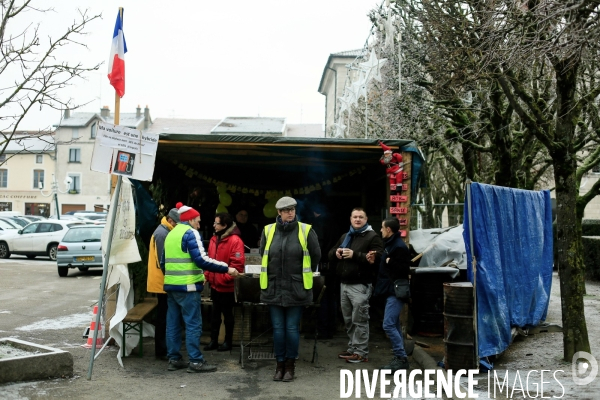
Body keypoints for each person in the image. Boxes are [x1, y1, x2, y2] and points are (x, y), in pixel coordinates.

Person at [161, 202, 240, 373]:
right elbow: (202, 260)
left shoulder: (171, 234)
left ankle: (174, 359)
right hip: (188, 287)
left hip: (171, 286)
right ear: (190, 219)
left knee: (173, 324)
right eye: (197, 220)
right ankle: (196, 361)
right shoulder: (191, 233)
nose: (199, 223)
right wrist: (227, 268)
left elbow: (163, 262)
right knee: (193, 324)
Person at [259, 196, 321, 382]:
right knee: (278, 329)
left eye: (292, 209)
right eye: (286, 210)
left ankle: (290, 366)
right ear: (278, 212)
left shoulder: (306, 230)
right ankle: (279, 365)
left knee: (292, 328)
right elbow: (264, 254)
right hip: (274, 287)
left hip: (296, 288)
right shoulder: (268, 231)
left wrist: (299, 276)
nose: (290, 212)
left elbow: (315, 255)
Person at [329, 207, 383, 364]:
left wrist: (355, 255)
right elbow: (330, 252)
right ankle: (353, 348)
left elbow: (377, 260)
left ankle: (361, 353)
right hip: (344, 284)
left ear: (366, 220)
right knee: (348, 319)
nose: (358, 219)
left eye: (361, 217)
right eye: (355, 217)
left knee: (359, 319)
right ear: (351, 219)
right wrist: (336, 253)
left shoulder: (373, 237)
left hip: (361, 285)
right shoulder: (346, 236)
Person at [369, 218, 411, 372]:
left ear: (388, 229)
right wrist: (379, 259)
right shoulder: (391, 244)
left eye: (382, 228)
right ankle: (400, 357)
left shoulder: (399, 246)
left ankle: (401, 358)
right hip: (389, 290)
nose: (380, 230)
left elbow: (403, 269)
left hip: (396, 291)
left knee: (388, 324)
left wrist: (389, 261)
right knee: (394, 324)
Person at [203, 213, 245, 352]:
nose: (213, 225)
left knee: (228, 316)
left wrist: (222, 279)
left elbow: (237, 266)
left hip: (227, 287)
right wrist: (207, 276)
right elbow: (209, 261)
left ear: (225, 225)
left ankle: (228, 342)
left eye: (216, 223)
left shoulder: (235, 241)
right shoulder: (214, 239)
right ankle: (213, 341)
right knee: (214, 316)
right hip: (215, 285)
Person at [147, 207, 180, 359]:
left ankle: (163, 349)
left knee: (164, 316)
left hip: (162, 281)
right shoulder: (162, 234)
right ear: (171, 220)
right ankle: (161, 351)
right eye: (177, 223)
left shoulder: (163, 231)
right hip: (162, 282)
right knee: (163, 318)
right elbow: (163, 262)